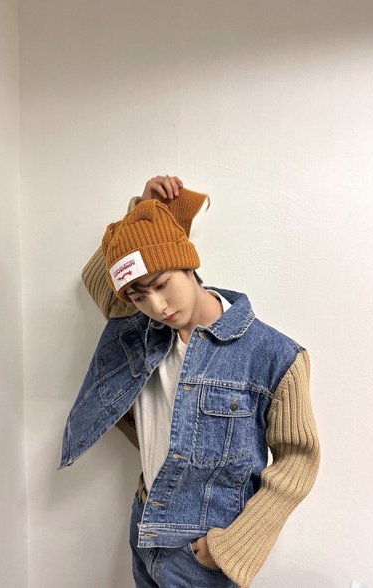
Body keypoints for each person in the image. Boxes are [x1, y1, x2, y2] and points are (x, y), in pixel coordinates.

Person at [58, 175, 321, 587]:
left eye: (162, 285)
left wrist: (232, 548)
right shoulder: (140, 333)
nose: (157, 305)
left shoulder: (274, 355)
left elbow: (299, 460)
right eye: (139, 296)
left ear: (189, 264)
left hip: (203, 551)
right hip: (144, 524)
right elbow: (99, 282)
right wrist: (142, 212)